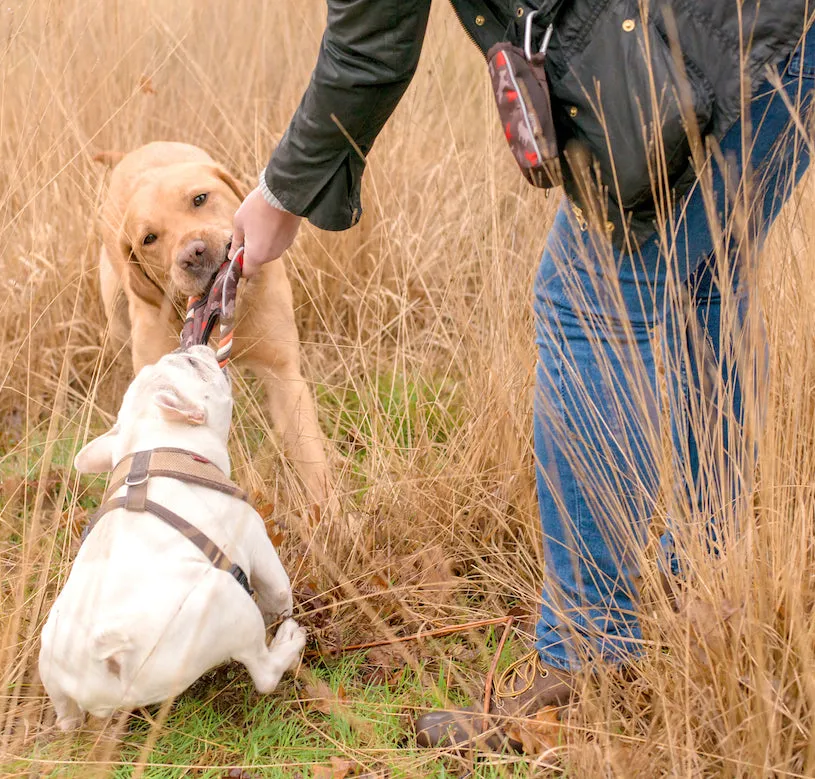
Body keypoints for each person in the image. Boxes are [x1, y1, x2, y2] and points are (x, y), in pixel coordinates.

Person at [230, 1, 814, 749]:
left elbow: (368, 44)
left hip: (719, 53)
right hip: (777, 36)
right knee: (703, 276)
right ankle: (704, 577)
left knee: (587, 299)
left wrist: (282, 193)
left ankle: (585, 666)